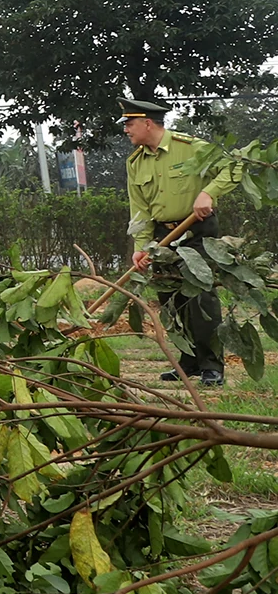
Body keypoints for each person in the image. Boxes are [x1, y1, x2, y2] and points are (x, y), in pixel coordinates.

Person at [124, 93, 238, 387]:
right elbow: (139, 211)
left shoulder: (190, 147)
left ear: (147, 123)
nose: (126, 130)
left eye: (130, 124)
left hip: (197, 231)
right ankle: (188, 362)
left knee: (201, 299)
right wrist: (141, 248)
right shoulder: (135, 163)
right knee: (171, 302)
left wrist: (209, 192)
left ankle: (212, 366)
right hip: (163, 238)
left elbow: (234, 167)